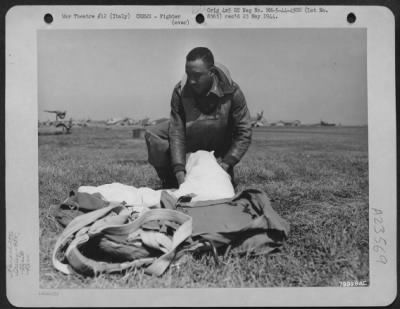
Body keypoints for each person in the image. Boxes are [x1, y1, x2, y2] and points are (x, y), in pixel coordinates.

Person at [145, 47, 252, 188]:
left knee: (218, 188)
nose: (192, 81)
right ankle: (170, 180)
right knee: (154, 133)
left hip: (219, 147)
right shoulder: (180, 92)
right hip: (190, 143)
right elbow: (176, 132)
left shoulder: (233, 92)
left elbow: (244, 131)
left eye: (197, 76)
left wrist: (226, 164)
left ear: (211, 72)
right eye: (188, 75)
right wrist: (179, 173)